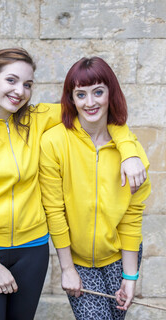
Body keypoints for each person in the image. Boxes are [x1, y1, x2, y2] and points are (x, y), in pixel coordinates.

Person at [0, 48, 147, 320]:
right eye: (11, 80)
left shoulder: (37, 119)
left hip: (33, 251)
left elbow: (96, 109)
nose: (20, 91)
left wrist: (129, 151)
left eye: (27, 84)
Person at [39, 56, 151, 320]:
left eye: (98, 92)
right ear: (72, 99)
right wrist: (67, 268)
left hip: (118, 256)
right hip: (77, 260)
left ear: (110, 93)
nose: (90, 103)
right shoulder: (54, 143)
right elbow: (55, 211)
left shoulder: (132, 156)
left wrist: (130, 276)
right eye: (81, 94)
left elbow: (131, 218)